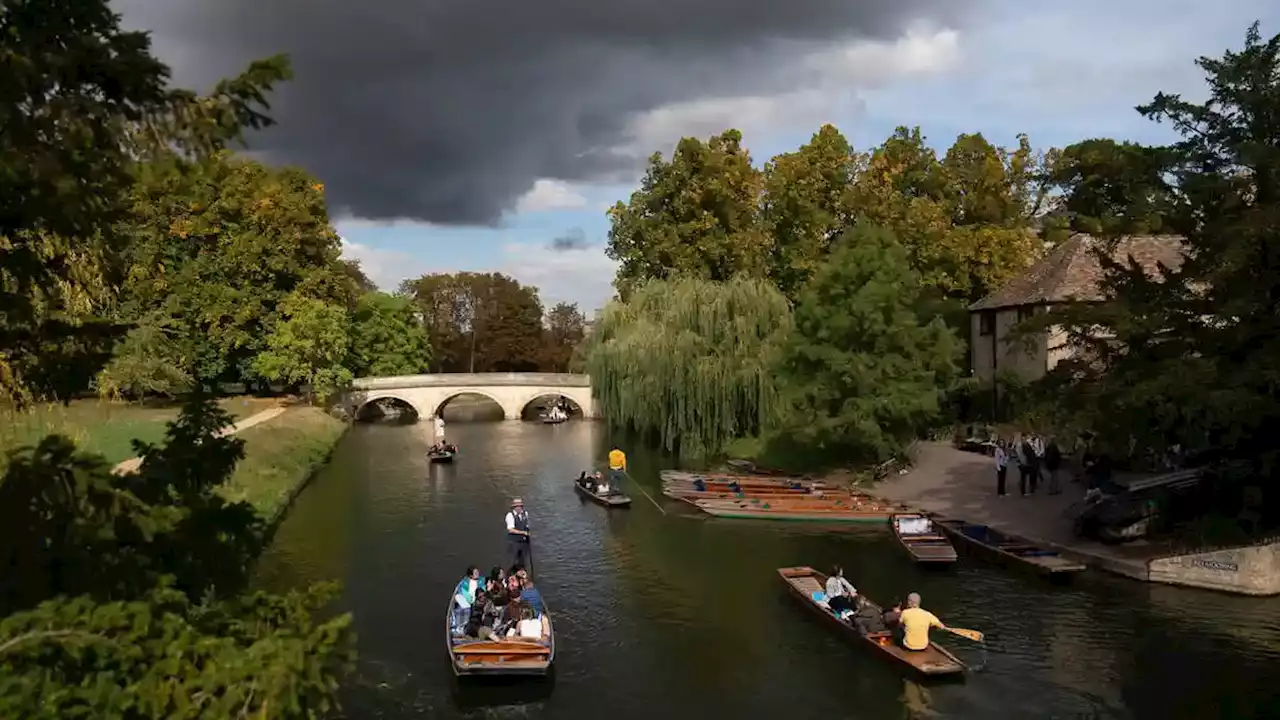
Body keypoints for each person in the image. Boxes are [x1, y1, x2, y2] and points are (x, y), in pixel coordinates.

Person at [504, 497, 532, 570]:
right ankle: (508, 578)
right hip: (514, 542)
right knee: (511, 562)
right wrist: (523, 532)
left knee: (523, 562)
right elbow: (511, 529)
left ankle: (522, 579)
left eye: (520, 506)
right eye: (517, 506)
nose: (519, 508)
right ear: (514, 507)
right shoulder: (510, 515)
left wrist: (528, 530)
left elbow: (527, 525)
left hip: (524, 543)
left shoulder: (525, 514)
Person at [453, 566, 481, 631]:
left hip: (476, 600)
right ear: (471, 575)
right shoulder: (465, 582)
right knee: (458, 598)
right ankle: (460, 627)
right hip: (467, 601)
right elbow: (463, 592)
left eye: (478, 572)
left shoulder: (481, 582)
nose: (478, 574)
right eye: (475, 573)